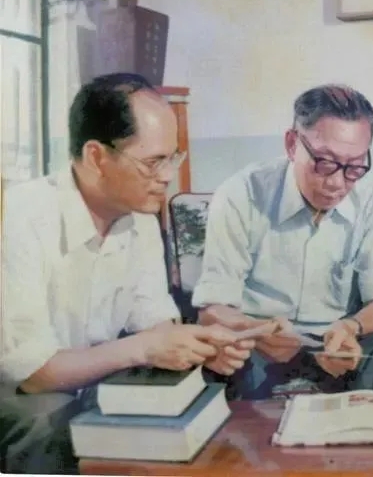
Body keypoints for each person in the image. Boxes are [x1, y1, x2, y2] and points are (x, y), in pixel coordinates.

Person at [0, 73, 250, 475]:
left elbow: (156, 324)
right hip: (22, 394)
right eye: (153, 162)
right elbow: (33, 374)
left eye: (173, 158)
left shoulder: (139, 218)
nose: (167, 176)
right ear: (97, 157)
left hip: (87, 382)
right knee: (47, 417)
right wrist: (145, 348)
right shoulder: (20, 217)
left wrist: (199, 347)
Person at [193, 84, 373, 399]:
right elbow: (212, 309)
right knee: (229, 357)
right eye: (325, 162)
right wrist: (255, 330)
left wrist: (351, 327)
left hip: (336, 344)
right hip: (261, 346)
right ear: (292, 144)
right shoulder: (241, 194)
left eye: (355, 166)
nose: (337, 183)